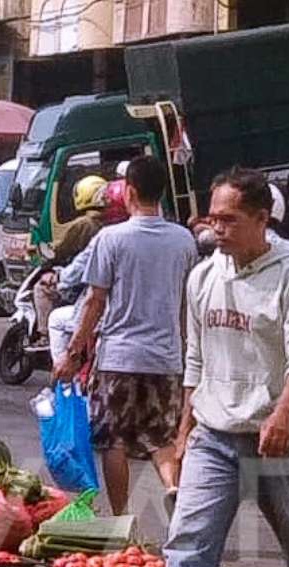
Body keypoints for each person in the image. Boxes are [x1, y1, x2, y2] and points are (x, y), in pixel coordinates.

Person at [118, 167, 289, 567]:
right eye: (213, 218)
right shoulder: (204, 276)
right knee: (190, 533)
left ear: (263, 220)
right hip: (216, 431)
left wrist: (283, 414)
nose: (218, 229)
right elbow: (195, 359)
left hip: (279, 434)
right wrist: (184, 431)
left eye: (230, 220)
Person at [53, 156, 198, 514]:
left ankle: (120, 516)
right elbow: (185, 304)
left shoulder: (111, 238)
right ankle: (173, 486)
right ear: (162, 192)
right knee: (161, 436)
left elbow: (94, 302)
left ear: (129, 191)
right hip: (166, 358)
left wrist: (73, 354)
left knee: (113, 440)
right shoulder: (184, 241)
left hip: (119, 357)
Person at [35, 175, 108, 340]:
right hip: (100, 284)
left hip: (79, 285)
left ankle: (44, 336)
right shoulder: (110, 224)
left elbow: (62, 251)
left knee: (42, 288)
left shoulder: (82, 224)